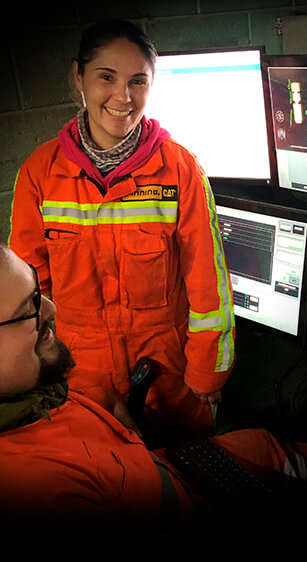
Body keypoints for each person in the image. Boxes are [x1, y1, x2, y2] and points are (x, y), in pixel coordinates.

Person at [0, 245, 307, 535]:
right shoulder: (44, 493)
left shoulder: (31, 394)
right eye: (28, 310)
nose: (50, 308)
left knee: (265, 445)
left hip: (164, 468)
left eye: (36, 292)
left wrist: (102, 400)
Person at [8, 19, 235, 438]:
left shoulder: (181, 170)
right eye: (106, 77)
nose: (123, 97)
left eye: (137, 81)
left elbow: (209, 282)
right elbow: (30, 294)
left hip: (169, 378)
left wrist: (208, 371)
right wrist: (44, 376)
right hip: (81, 381)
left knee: (188, 472)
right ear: (78, 76)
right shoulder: (39, 174)